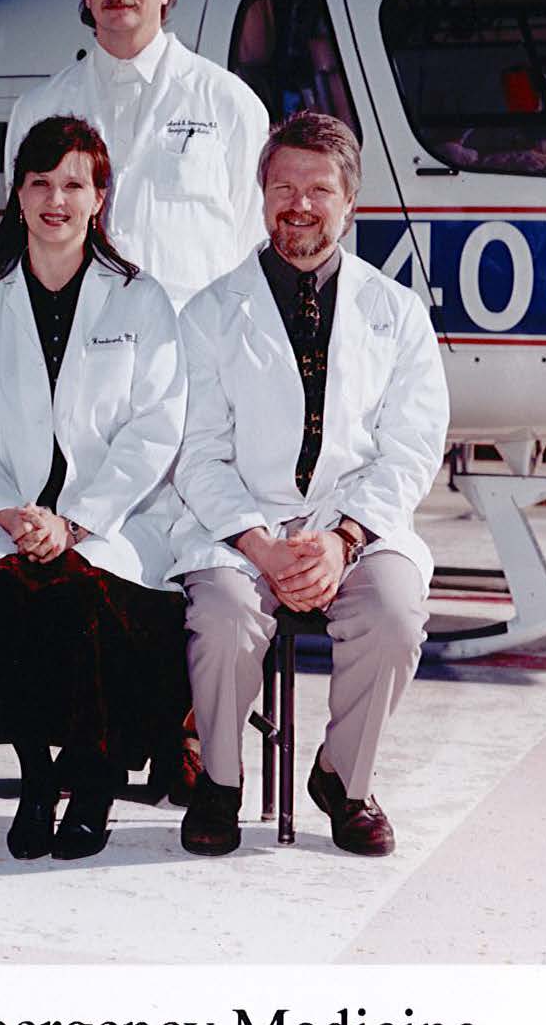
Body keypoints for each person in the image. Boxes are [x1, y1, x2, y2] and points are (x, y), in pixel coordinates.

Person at [172, 112, 449, 858]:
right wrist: (261, 547)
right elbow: (197, 452)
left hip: (353, 523)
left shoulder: (395, 314)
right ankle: (220, 781)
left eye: (318, 189)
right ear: (259, 196)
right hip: (243, 527)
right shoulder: (207, 314)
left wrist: (341, 537)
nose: (299, 204)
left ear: (349, 201)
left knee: (394, 612)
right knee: (227, 613)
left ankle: (342, 778)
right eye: (282, 187)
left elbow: (412, 446)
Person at [0, 116, 188, 861]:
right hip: (9, 518)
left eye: (72, 184)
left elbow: (156, 427)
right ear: (16, 196)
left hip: (112, 526)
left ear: (99, 197)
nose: (56, 199)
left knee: (81, 595)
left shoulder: (140, 302)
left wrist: (76, 521)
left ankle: (89, 786)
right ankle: (32, 778)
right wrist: (9, 514)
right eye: (40, 183)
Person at [4, 0, 270, 314]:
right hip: (80, 338)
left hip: (190, 344)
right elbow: (26, 232)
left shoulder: (229, 103)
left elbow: (252, 243)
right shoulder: (39, 109)